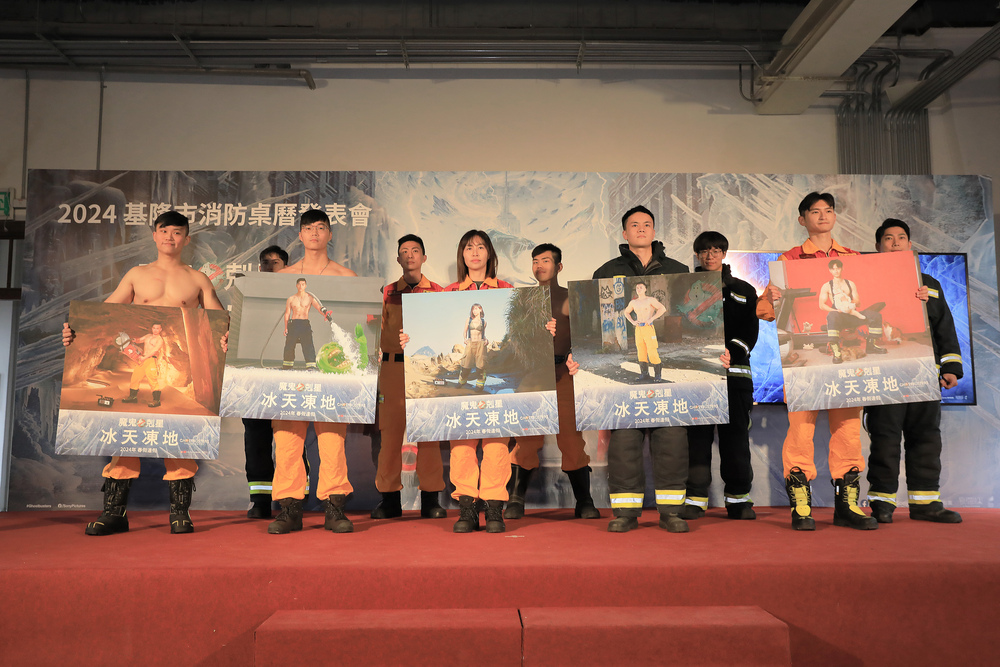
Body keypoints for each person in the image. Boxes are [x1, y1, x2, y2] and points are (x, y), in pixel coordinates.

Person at [62, 210, 228, 535]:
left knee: (180, 436)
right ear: (154, 235)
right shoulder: (137, 275)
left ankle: (180, 513)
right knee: (125, 434)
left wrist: (224, 336)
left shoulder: (197, 280)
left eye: (177, 232)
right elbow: (105, 313)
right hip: (135, 364)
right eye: (164, 230)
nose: (169, 237)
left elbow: (219, 321)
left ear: (186, 239)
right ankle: (115, 513)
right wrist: (76, 331)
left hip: (177, 369)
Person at [758, 192, 877, 531]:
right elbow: (764, 311)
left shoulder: (854, 258)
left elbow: (868, 298)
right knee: (800, 429)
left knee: (849, 429)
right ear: (802, 219)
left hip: (848, 351)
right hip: (808, 355)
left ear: (835, 216)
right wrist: (771, 297)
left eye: (828, 210)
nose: (823, 216)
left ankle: (848, 505)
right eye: (815, 211)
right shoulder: (789, 259)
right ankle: (801, 506)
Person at [592, 205, 691, 533]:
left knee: (672, 440)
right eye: (634, 225)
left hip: (656, 341)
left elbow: (681, 310)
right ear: (624, 233)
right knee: (624, 442)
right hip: (634, 341)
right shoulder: (607, 271)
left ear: (654, 230)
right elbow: (599, 316)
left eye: (646, 224)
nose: (641, 229)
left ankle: (671, 511)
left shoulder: (677, 269)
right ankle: (625, 512)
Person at [864, 219, 963, 524]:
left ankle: (926, 502)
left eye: (901, 237)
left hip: (924, 374)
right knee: (885, 437)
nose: (895, 242)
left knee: (926, 437)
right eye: (888, 238)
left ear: (910, 245)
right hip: (884, 371)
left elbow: (944, 326)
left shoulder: (928, 284)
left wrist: (951, 367)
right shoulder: (865, 281)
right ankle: (882, 503)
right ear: (878, 246)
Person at [267, 209, 358, 535]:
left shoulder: (346, 277)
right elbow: (275, 318)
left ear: (330, 234)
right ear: (301, 235)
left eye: (321, 227)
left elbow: (356, 321)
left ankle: (335, 507)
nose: (315, 233)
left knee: (332, 437)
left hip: (331, 367)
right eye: (309, 228)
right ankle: (289, 508)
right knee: (287, 436)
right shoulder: (284, 277)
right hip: (292, 372)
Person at [505, 243, 600, 521]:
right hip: (532, 374)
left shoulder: (571, 298)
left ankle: (584, 500)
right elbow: (514, 339)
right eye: (535, 261)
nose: (539, 266)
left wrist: (574, 356)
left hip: (563, 375)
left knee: (570, 438)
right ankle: (516, 498)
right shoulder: (522, 300)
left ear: (559, 267)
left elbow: (587, 338)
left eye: (545, 260)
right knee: (526, 436)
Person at [680, 231, 759, 521]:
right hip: (697, 377)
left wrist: (732, 354)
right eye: (704, 251)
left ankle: (739, 500)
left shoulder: (743, 290)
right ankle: (695, 500)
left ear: (724, 254)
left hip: (735, 378)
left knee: (736, 441)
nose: (710, 255)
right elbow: (679, 328)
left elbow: (750, 332)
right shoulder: (686, 289)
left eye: (715, 250)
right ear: (697, 255)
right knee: (697, 442)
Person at [370, 234, 447, 521]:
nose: (410, 255)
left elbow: (445, 332)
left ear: (424, 257)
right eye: (404, 251)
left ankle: (431, 499)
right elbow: (374, 330)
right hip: (392, 368)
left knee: (428, 434)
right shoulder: (387, 292)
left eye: (415, 251)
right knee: (390, 435)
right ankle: (389, 499)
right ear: (398, 259)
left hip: (426, 368)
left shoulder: (438, 292)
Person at [244, 244, 307, 520]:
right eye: (266, 262)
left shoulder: (299, 298)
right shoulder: (247, 294)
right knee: (256, 440)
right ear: (259, 268)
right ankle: (260, 501)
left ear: (287, 268)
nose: (271, 266)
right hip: (256, 380)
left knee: (292, 440)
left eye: (276, 262)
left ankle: (293, 499)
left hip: (289, 379)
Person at [817, 258, 886, 363]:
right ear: (830, 270)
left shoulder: (850, 284)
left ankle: (871, 346)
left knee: (875, 315)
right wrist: (836, 310)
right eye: (833, 269)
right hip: (839, 317)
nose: (836, 271)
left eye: (838, 268)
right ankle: (836, 352)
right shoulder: (827, 286)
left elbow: (858, 301)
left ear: (842, 268)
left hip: (852, 314)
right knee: (831, 315)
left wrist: (850, 303)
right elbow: (821, 305)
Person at [282, 277, 333, 370]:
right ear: (296, 285)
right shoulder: (291, 299)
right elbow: (287, 314)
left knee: (308, 344)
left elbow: (319, 308)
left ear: (305, 285)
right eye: (299, 284)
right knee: (289, 344)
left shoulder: (310, 298)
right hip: (294, 323)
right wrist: (286, 327)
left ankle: (311, 366)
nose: (301, 286)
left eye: (303, 284)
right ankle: (287, 365)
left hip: (304, 323)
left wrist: (325, 314)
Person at [622, 281, 668, 381]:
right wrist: (633, 322)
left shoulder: (650, 300)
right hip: (639, 329)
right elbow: (626, 312)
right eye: (637, 288)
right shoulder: (633, 302)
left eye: (641, 287)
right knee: (641, 351)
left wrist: (652, 318)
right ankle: (644, 374)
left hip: (648, 328)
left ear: (645, 289)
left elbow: (662, 309)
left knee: (652, 351)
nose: (639, 289)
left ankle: (657, 375)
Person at [121, 323, 166, 408]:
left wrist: (144, 357)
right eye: (154, 328)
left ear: (160, 330)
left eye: (157, 328)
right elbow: (139, 340)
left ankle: (157, 400)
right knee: (135, 377)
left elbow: (154, 351)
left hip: (150, 360)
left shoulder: (159, 340)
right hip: (142, 360)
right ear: (152, 328)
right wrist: (135, 340)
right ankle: (133, 397)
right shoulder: (148, 336)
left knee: (152, 379)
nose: (155, 330)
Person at [459, 303, 489, 388]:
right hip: (470, 343)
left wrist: (486, 340)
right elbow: (465, 331)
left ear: (480, 309)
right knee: (466, 365)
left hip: (480, 344)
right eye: (473, 309)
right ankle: (461, 382)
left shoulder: (484, 322)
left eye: (476, 309)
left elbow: (482, 334)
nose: (474, 311)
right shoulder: (469, 320)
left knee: (480, 367)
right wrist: (465, 339)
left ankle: (480, 386)